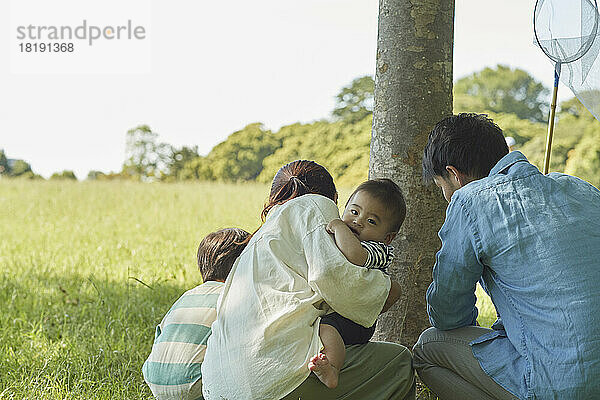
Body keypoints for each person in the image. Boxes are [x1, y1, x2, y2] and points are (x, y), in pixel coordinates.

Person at [413, 113, 600, 399]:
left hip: (561, 384)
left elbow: (448, 313)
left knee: (428, 347)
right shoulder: (580, 188)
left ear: (454, 174)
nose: (446, 195)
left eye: (442, 187)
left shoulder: (469, 200)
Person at [201, 160, 415, 400]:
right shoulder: (316, 207)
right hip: (268, 383)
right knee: (400, 363)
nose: (356, 221)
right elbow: (334, 278)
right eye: (353, 211)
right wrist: (390, 290)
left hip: (216, 387)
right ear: (334, 199)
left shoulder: (262, 234)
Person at [309, 178, 407, 389]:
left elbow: (355, 256)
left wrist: (337, 226)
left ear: (388, 237)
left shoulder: (379, 250)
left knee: (327, 327)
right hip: (343, 308)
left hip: (356, 320)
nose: (358, 221)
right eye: (354, 212)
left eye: (371, 221)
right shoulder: (343, 238)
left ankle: (332, 369)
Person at [142, 228, 250, 400]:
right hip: (198, 385)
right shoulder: (232, 296)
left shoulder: (187, 295)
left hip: (155, 382)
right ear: (241, 265)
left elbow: (160, 333)